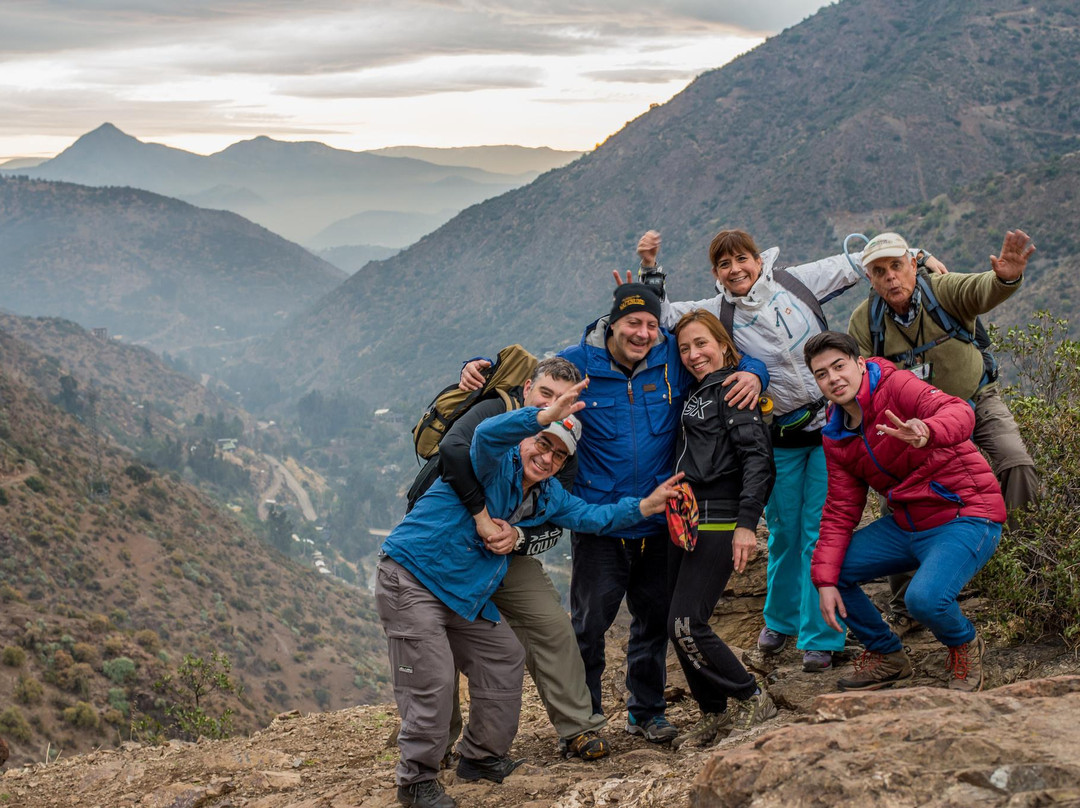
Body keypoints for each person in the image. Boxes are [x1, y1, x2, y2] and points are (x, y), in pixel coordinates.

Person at [460, 283, 768, 743]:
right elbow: (532, 380)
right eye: (632, 323)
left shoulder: (671, 363)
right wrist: (474, 369)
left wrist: (757, 373)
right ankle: (585, 723)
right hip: (600, 521)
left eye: (650, 324)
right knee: (590, 626)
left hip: (661, 518)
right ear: (613, 323)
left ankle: (647, 712)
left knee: (653, 622)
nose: (642, 333)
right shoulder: (581, 361)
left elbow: (726, 362)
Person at [633, 229, 942, 671]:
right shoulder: (718, 310)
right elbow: (661, 316)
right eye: (724, 264)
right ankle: (780, 619)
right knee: (782, 531)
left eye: (742, 259)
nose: (735, 269)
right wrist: (650, 270)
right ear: (716, 273)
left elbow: (858, 262)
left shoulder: (796, 283)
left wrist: (919, 254)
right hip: (778, 433)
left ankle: (822, 637)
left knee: (818, 531)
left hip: (827, 429)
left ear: (759, 259)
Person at [378, 380, 683, 808]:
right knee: (434, 679)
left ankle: (480, 758)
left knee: (503, 658)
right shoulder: (492, 463)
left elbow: (592, 516)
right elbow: (484, 435)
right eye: (542, 444)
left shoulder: (548, 494)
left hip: (463, 595)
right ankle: (415, 782)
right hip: (412, 577)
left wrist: (644, 507)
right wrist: (541, 416)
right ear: (526, 439)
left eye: (559, 454)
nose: (547, 457)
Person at [848, 229, 1038, 637]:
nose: (890, 278)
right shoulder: (865, 321)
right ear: (870, 279)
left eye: (896, 266)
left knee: (1016, 462)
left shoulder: (944, 292)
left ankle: (1017, 559)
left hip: (976, 397)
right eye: (879, 272)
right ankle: (905, 605)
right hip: (919, 424)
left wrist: (1005, 277)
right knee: (902, 502)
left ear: (912, 265)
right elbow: (863, 375)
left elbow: (982, 289)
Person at [804, 331, 1005, 692]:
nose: (833, 378)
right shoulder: (836, 434)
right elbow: (839, 509)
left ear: (859, 364)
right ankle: (888, 656)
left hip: (966, 515)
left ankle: (964, 645)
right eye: (822, 373)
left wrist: (928, 429)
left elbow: (959, 411)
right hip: (907, 524)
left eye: (839, 366)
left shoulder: (896, 386)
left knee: (923, 599)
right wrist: (824, 579)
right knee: (832, 572)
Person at [436, 357, 613, 761]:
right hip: (450, 540)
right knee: (436, 638)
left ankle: (578, 727)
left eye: (560, 398)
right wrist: (481, 517)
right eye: (545, 393)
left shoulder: (561, 448)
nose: (550, 402)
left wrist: (516, 536)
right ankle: (435, 742)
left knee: (549, 622)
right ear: (528, 386)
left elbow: (555, 522)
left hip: (506, 550)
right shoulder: (497, 410)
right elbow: (452, 449)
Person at [667, 309, 778, 749]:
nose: (694, 355)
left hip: (720, 517)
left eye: (702, 344)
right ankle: (712, 713)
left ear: (724, 346)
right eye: (685, 348)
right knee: (675, 624)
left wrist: (746, 525)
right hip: (686, 521)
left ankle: (751, 695)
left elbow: (758, 459)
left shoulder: (733, 389)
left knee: (687, 622)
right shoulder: (698, 391)